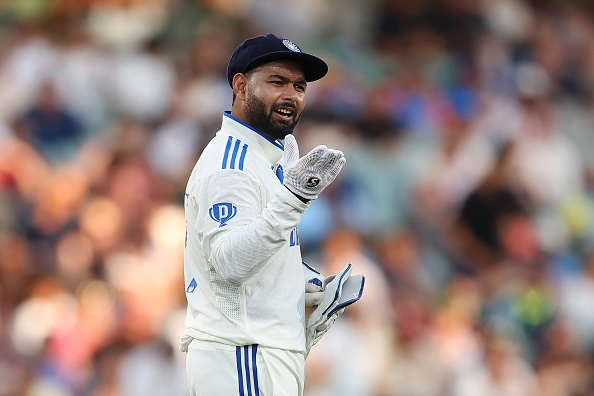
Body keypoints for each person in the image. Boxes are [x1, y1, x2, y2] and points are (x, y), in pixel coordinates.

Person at [179, 33, 348, 396]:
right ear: (240, 86)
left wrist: (296, 289)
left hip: (260, 355)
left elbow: (245, 262)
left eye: (300, 86)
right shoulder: (231, 165)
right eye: (277, 81)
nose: (292, 95)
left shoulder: (264, 161)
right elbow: (230, 263)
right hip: (241, 355)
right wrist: (294, 198)